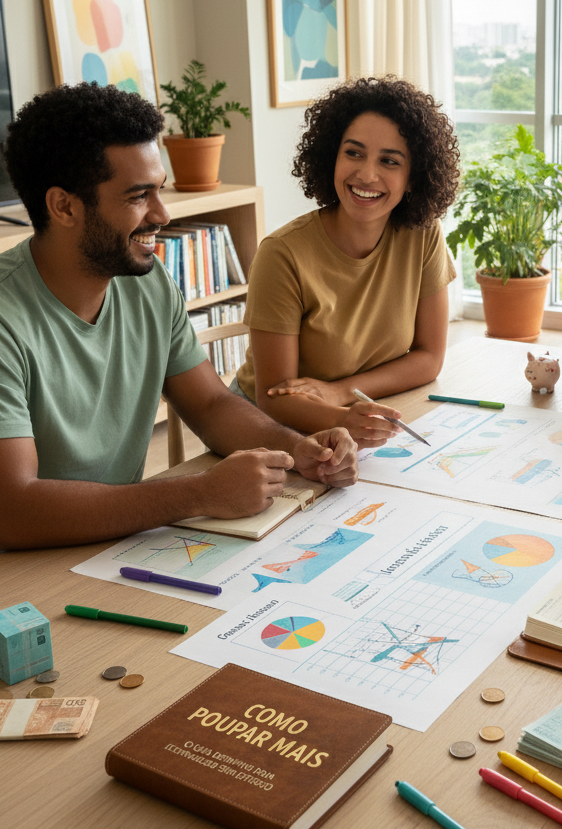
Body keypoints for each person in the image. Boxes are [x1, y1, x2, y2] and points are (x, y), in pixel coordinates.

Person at [0, 83, 358, 551]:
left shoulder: (147, 279)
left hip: (114, 545)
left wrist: (297, 450)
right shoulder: (8, 319)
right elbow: (15, 511)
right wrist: (198, 492)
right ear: (64, 206)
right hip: (25, 570)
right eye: (138, 196)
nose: (162, 214)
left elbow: (210, 405)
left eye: (160, 190)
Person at [233, 75, 459, 443]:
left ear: (413, 177)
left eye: (389, 161)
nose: (366, 174)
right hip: (266, 425)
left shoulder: (423, 235)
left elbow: (429, 358)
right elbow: (275, 397)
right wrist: (343, 414)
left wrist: (343, 393)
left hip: (355, 411)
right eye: (353, 153)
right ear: (330, 157)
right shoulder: (282, 254)